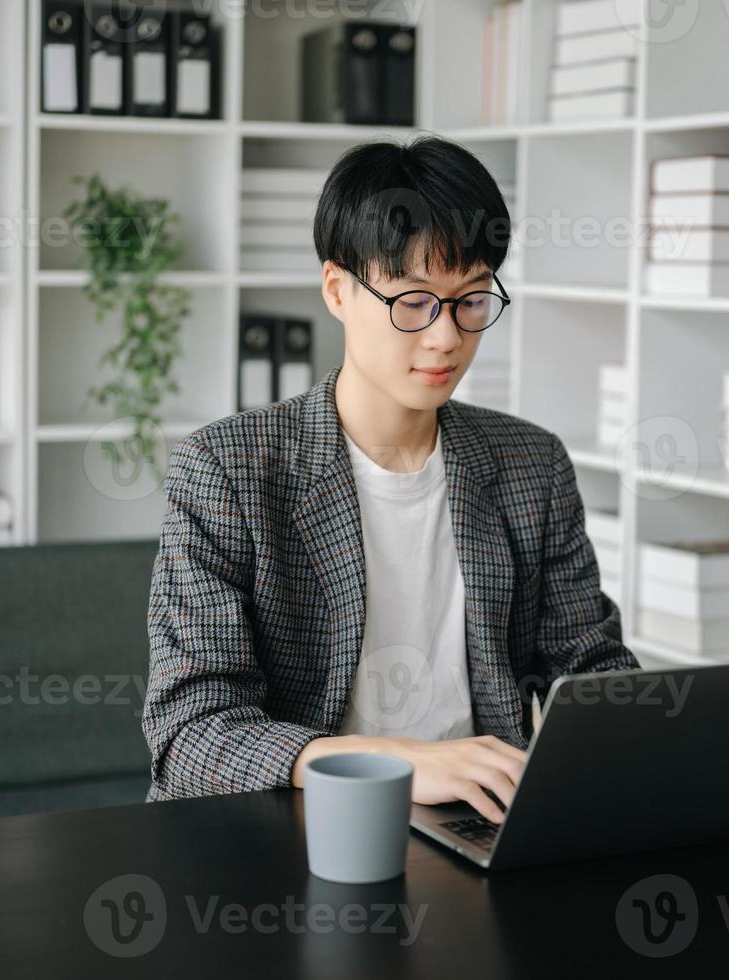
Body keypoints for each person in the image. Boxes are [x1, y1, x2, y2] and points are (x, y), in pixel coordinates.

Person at [142, 135, 637, 823]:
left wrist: (667, 740)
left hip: (479, 827)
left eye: (471, 300)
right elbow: (190, 735)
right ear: (338, 290)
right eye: (413, 302)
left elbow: (589, 670)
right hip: (292, 833)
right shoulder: (227, 470)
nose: (446, 338)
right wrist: (391, 762)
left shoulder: (532, 465)